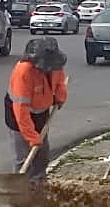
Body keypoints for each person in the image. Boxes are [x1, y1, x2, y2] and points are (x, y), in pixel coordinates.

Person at [5, 37, 68, 184]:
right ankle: (21, 190)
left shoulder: (55, 64)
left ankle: (39, 185)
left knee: (42, 154)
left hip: (42, 110)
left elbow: (59, 83)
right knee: (24, 157)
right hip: (18, 114)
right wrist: (31, 137)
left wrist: (60, 96)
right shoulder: (23, 72)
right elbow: (21, 110)